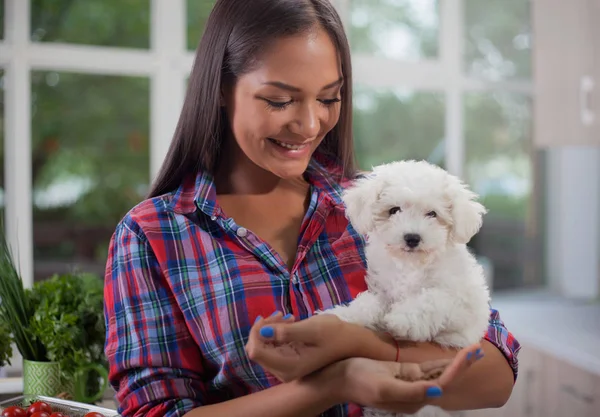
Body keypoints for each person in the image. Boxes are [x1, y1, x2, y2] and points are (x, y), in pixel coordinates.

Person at [103, 0, 520, 416]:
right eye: (280, 100)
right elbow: (152, 411)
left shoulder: (374, 207)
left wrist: (357, 343)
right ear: (220, 89)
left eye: (328, 98)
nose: (309, 124)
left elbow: (496, 372)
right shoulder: (152, 236)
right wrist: (332, 384)